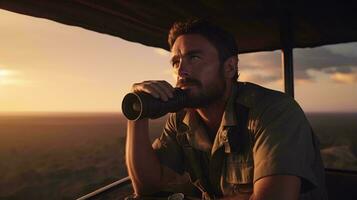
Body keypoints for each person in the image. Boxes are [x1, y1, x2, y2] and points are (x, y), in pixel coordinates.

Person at [125, 19, 327, 200]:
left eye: (193, 58)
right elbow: (148, 187)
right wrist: (138, 113)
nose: (181, 70)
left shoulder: (274, 110)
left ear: (229, 67)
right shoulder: (181, 118)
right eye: (176, 62)